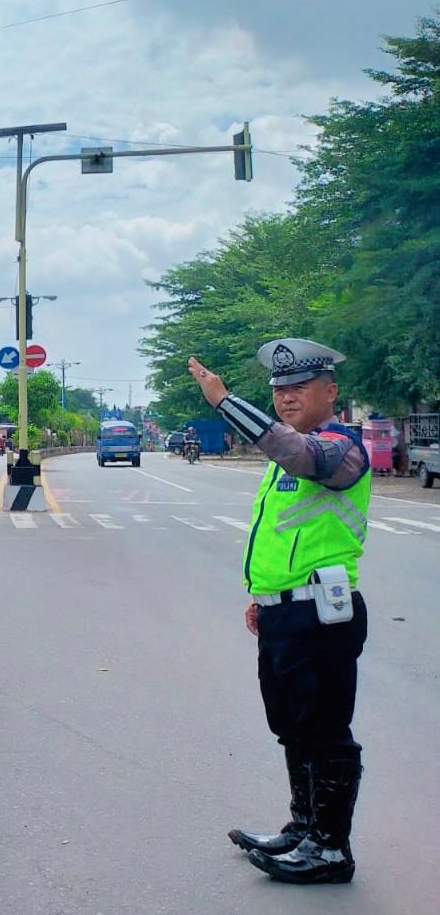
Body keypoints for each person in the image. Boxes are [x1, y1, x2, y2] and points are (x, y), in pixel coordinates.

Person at [188, 339, 370, 885]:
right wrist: (262, 595)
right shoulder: (287, 455)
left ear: (330, 393)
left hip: (324, 614)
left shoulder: (343, 449)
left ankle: (331, 850)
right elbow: (287, 535)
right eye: (280, 390)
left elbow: (298, 455)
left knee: (325, 729)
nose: (287, 398)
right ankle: (303, 830)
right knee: (291, 725)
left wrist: (224, 401)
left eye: (299, 388)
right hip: (282, 613)